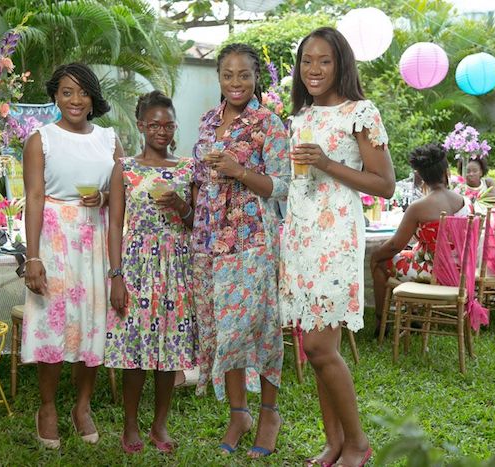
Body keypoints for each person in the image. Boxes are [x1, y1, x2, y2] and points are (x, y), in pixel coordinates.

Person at [279, 27, 395, 467]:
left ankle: (359, 443)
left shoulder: (361, 113)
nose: (313, 69)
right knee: (315, 349)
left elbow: (384, 183)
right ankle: (333, 442)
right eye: (307, 60)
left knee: (319, 347)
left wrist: (326, 163)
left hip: (336, 237)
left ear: (340, 64)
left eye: (323, 60)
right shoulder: (300, 118)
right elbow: (295, 183)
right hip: (301, 237)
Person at [192, 43, 289, 458]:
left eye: (244, 75)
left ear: (255, 79)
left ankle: (269, 413)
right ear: (219, 77)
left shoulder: (269, 123)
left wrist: (238, 171)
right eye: (228, 75)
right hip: (208, 241)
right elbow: (198, 177)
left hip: (251, 241)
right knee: (222, 329)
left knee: (260, 328)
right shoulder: (208, 120)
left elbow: (282, 186)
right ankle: (238, 413)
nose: (236, 83)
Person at [21, 63, 123, 449]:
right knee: (53, 323)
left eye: (82, 92)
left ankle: (82, 406)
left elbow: (121, 196)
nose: (75, 100)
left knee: (92, 325)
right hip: (53, 239)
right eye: (66, 92)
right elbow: (32, 197)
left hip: (95, 238)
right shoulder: (40, 139)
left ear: (93, 97)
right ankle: (47, 407)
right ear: (55, 96)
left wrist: (105, 197)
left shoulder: (110, 140)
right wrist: (33, 257)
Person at [105, 91, 197, 454]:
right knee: (136, 351)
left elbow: (195, 224)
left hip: (176, 266)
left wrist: (180, 205)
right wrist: (116, 275)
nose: (162, 131)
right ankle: (130, 424)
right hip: (137, 267)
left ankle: (160, 424)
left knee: (168, 351)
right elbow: (115, 225)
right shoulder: (125, 167)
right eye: (155, 124)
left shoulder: (187, 167)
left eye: (169, 125)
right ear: (141, 126)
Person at [370, 144, 472, 330]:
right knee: (411, 255)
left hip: (436, 273)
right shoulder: (465, 202)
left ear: (420, 176)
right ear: (446, 172)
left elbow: (395, 246)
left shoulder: (419, 207)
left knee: (381, 260)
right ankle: (414, 316)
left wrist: (376, 254)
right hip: (461, 273)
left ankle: (381, 323)